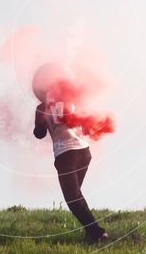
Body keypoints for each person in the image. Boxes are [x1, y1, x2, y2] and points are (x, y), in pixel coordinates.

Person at [33, 97, 109, 243]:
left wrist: (42, 120)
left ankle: (98, 234)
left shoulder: (43, 106)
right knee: (76, 197)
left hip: (65, 155)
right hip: (84, 152)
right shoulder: (74, 96)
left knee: (73, 199)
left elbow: (39, 133)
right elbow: (87, 127)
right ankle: (91, 232)